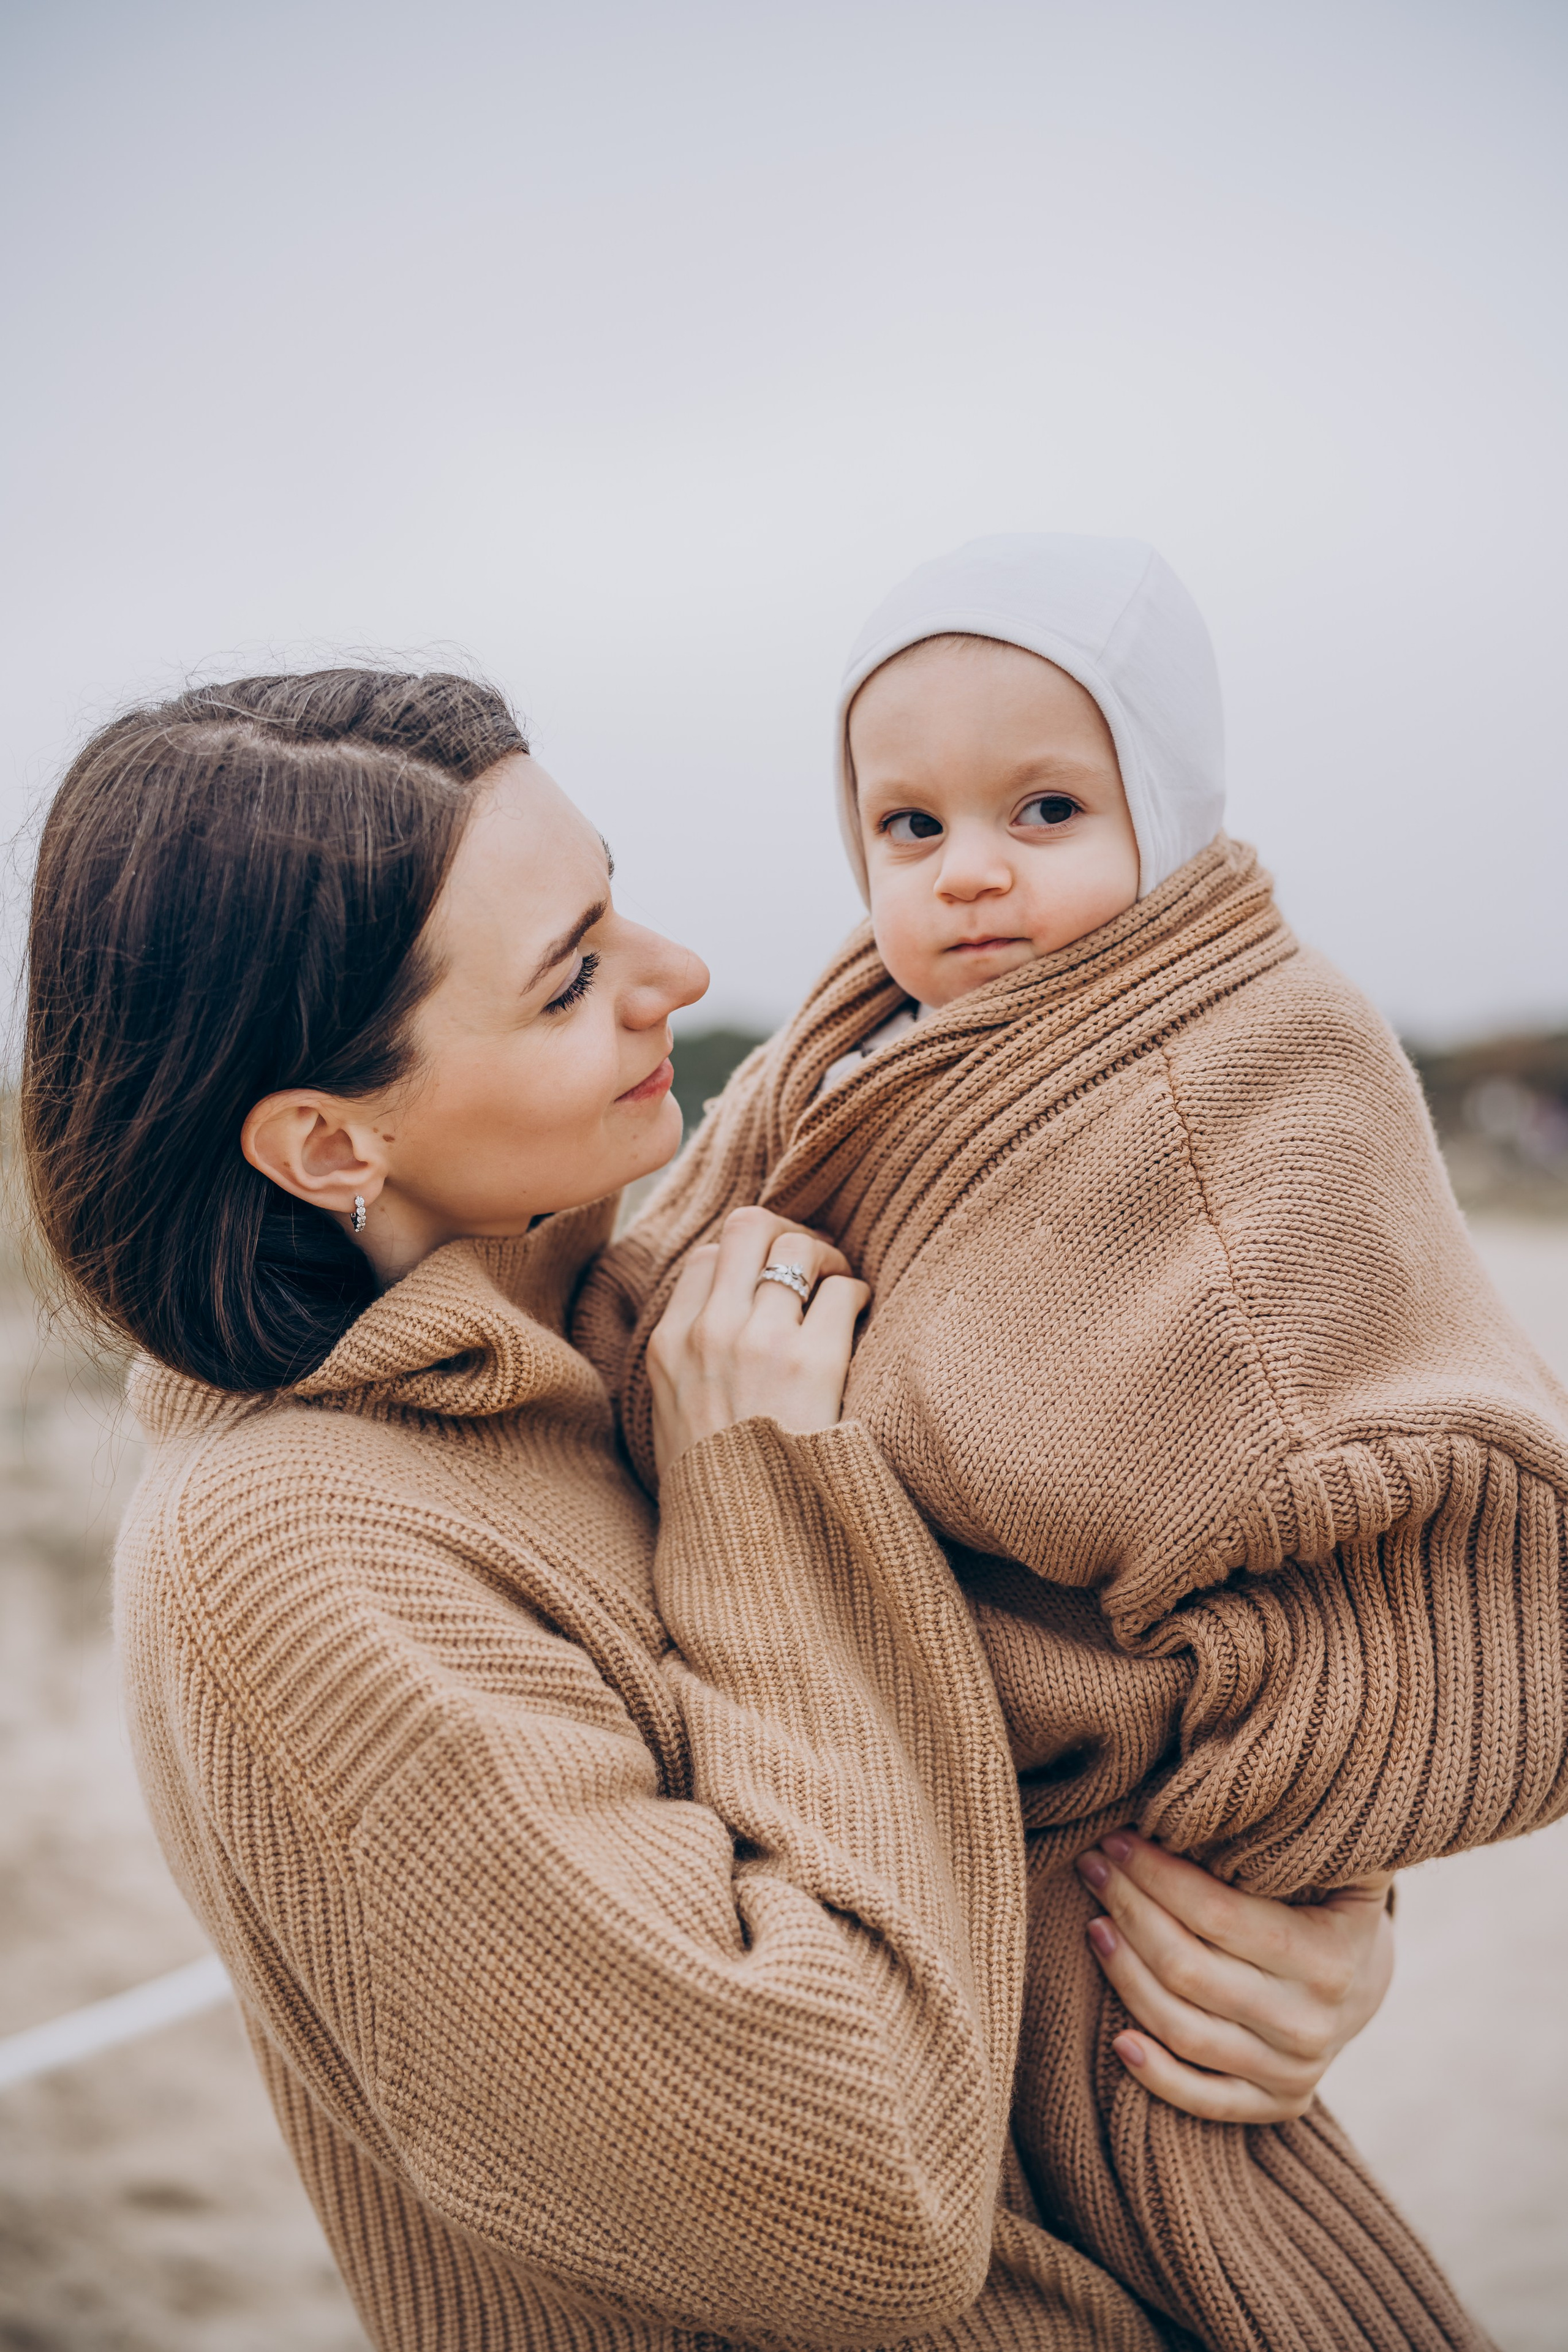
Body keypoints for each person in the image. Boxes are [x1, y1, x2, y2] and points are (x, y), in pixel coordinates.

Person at [19, 669, 1403, 2352]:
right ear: (327, 1145)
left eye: (615, 899)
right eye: (570, 981)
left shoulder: (676, 1284)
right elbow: (861, 2196)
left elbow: (1092, 1663)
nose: (673, 977)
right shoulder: (291, 1565)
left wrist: (1296, 1930)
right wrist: (768, 1501)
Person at [579, 537, 1568, 2352]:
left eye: (1044, 807)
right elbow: (656, 1263)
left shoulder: (1264, 1066)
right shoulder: (844, 1044)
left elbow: (1428, 1500)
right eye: (909, 826)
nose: (968, 874)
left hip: (1076, 1843)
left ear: (1169, 811)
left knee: (1164, 2246)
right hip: (843, 1784)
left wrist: (1277, 1851)